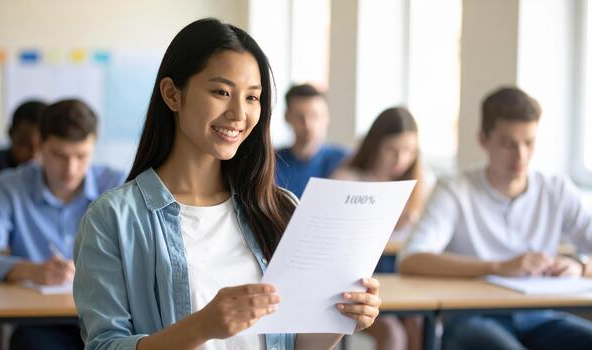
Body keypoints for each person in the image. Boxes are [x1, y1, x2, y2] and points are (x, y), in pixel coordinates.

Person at [73, 18, 381, 350]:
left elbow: (294, 344)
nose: (238, 113)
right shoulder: (113, 218)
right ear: (172, 94)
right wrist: (202, 327)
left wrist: (340, 316)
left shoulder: (280, 208)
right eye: (222, 92)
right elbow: (104, 345)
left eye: (252, 97)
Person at [398, 87, 592, 350]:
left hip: (540, 316)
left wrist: (580, 266)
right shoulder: (455, 189)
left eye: (529, 143)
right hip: (473, 317)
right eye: (508, 143)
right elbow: (411, 260)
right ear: (483, 139)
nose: (520, 155)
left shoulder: (556, 189)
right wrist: (498, 266)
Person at [0, 99, 125, 350]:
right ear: (40, 146)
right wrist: (29, 270)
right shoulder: (10, 186)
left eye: (81, 156)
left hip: (107, 318)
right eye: (59, 155)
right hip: (40, 323)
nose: (71, 169)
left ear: (93, 145)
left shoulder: (117, 184)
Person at [333, 107, 431, 350]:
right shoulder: (347, 179)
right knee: (392, 334)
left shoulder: (422, 183)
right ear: (374, 145)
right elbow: (335, 243)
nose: (400, 160)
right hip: (359, 280)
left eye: (409, 151)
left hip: (404, 278)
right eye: (392, 150)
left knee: (420, 325)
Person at [275, 84, 348, 198]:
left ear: (327, 116)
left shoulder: (345, 161)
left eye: (314, 116)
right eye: (300, 116)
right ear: (287, 117)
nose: (308, 125)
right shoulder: (271, 163)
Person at [0, 100, 46, 200]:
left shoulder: (62, 173)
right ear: (11, 134)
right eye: (25, 144)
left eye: (42, 146)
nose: (34, 154)